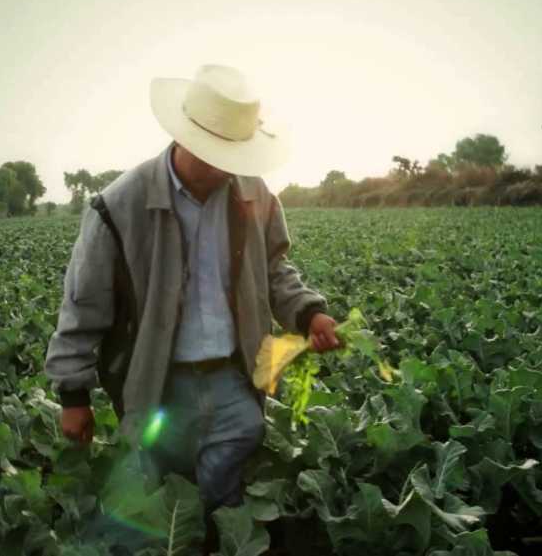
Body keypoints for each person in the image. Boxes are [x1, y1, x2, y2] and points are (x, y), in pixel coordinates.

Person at [44, 64, 339, 550]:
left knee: (225, 494)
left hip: (233, 377)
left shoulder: (254, 193)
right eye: (216, 155)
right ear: (186, 139)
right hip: (159, 383)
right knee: (162, 499)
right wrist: (73, 395)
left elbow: (276, 272)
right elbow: (83, 306)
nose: (226, 167)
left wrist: (309, 313)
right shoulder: (119, 206)